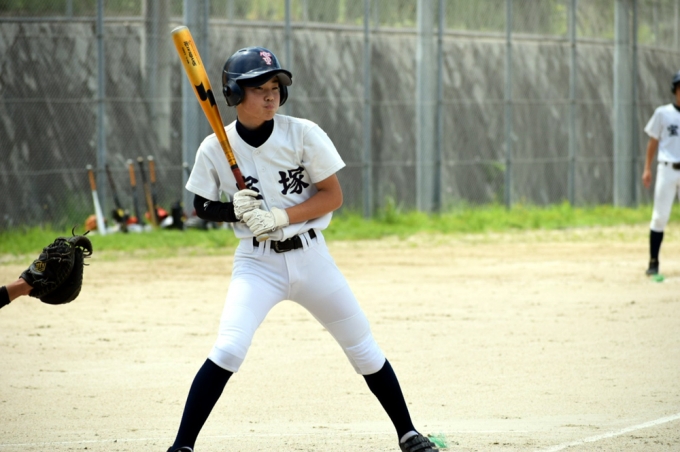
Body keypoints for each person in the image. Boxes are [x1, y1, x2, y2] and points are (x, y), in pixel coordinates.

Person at [166, 47, 439, 452]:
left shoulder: (303, 133)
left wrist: (280, 216)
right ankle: (181, 447)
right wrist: (233, 210)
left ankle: (409, 433)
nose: (271, 96)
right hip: (257, 264)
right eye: (259, 88)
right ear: (235, 94)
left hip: (311, 259)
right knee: (229, 348)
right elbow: (201, 205)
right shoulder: (214, 147)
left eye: (275, 87)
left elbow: (332, 196)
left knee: (362, 348)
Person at [642, 69, 680, 276]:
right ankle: (653, 262)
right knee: (659, 216)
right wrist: (647, 168)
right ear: (675, 90)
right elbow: (653, 141)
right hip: (667, 169)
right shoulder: (663, 113)